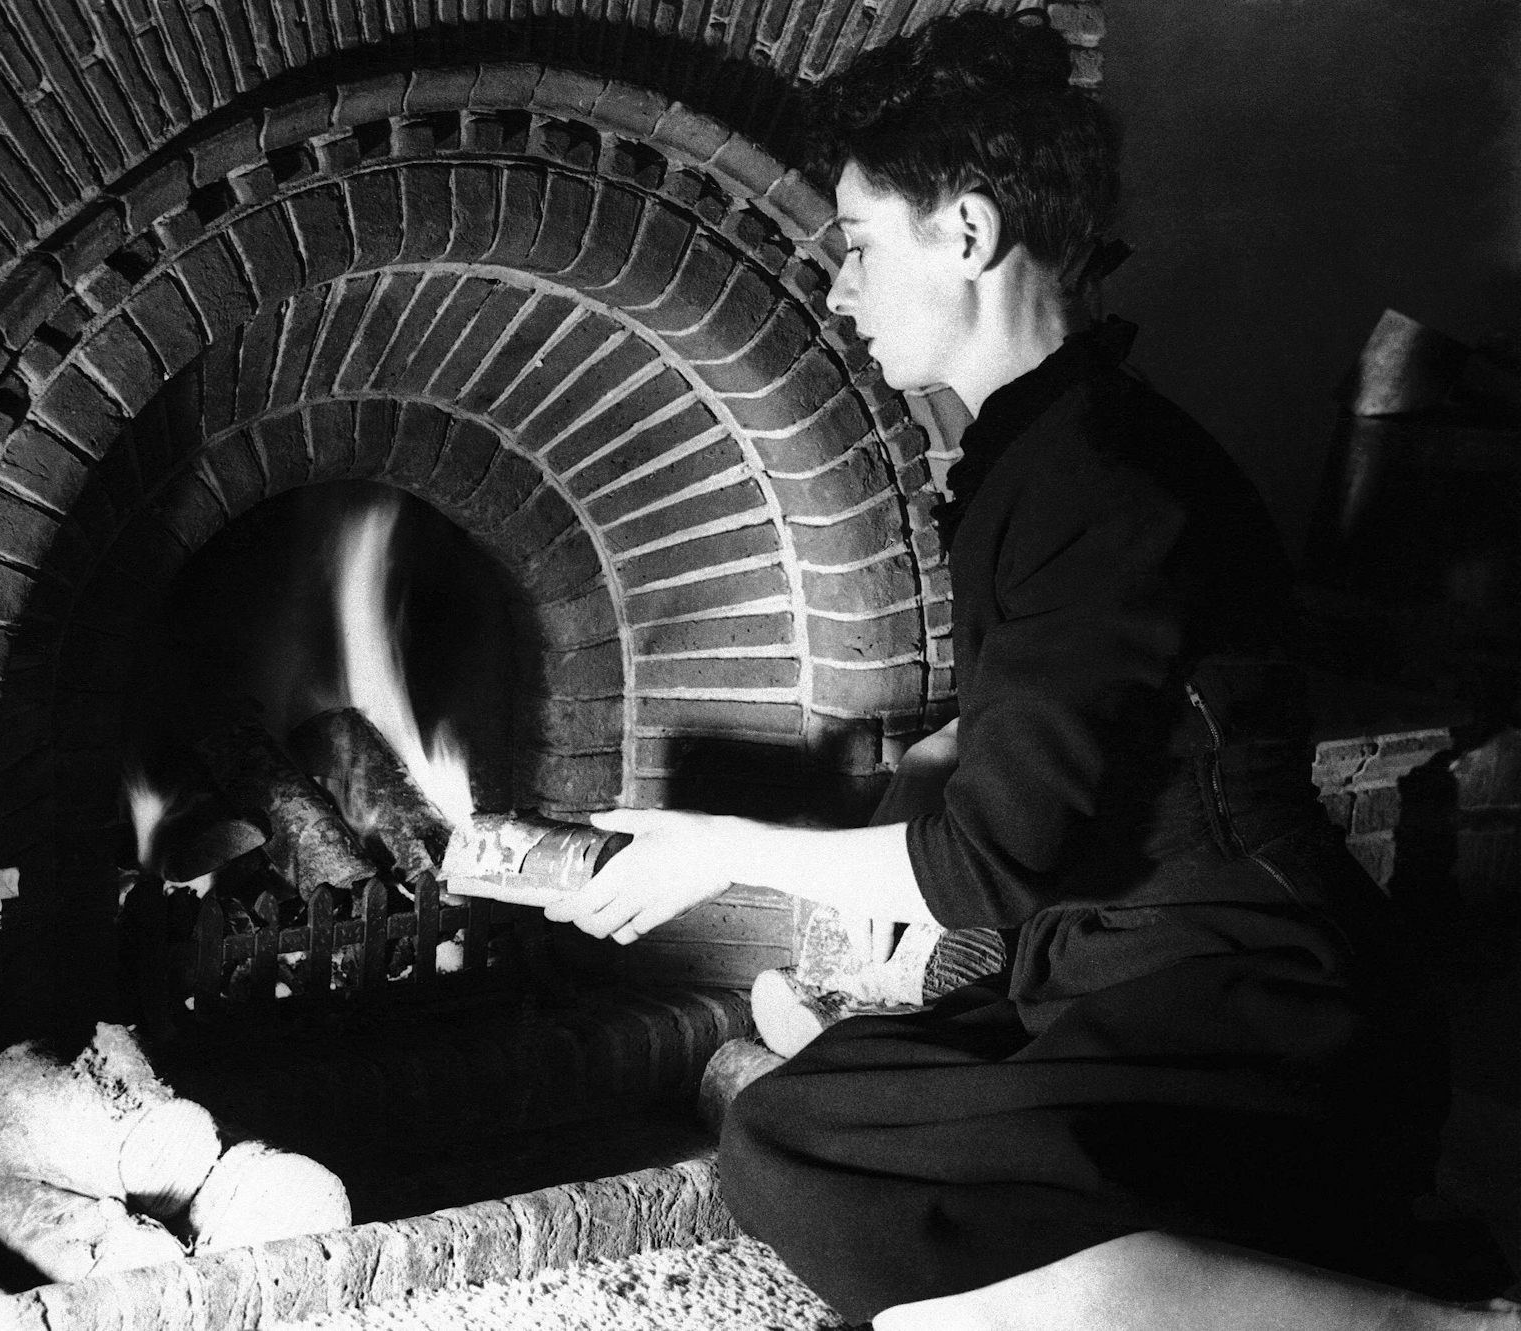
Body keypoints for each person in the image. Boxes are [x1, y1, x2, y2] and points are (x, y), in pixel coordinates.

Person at [544, 12, 1521, 1328]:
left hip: (1263, 1004)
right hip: (1121, 971)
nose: (839, 290)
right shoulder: (1053, 447)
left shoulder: (1097, 481)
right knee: (807, 1121)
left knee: (806, 1153)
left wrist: (722, 850)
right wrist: (942, 754)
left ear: (966, 234)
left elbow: (991, 868)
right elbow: (1096, 712)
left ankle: (1429, 1319)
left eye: (858, 245)